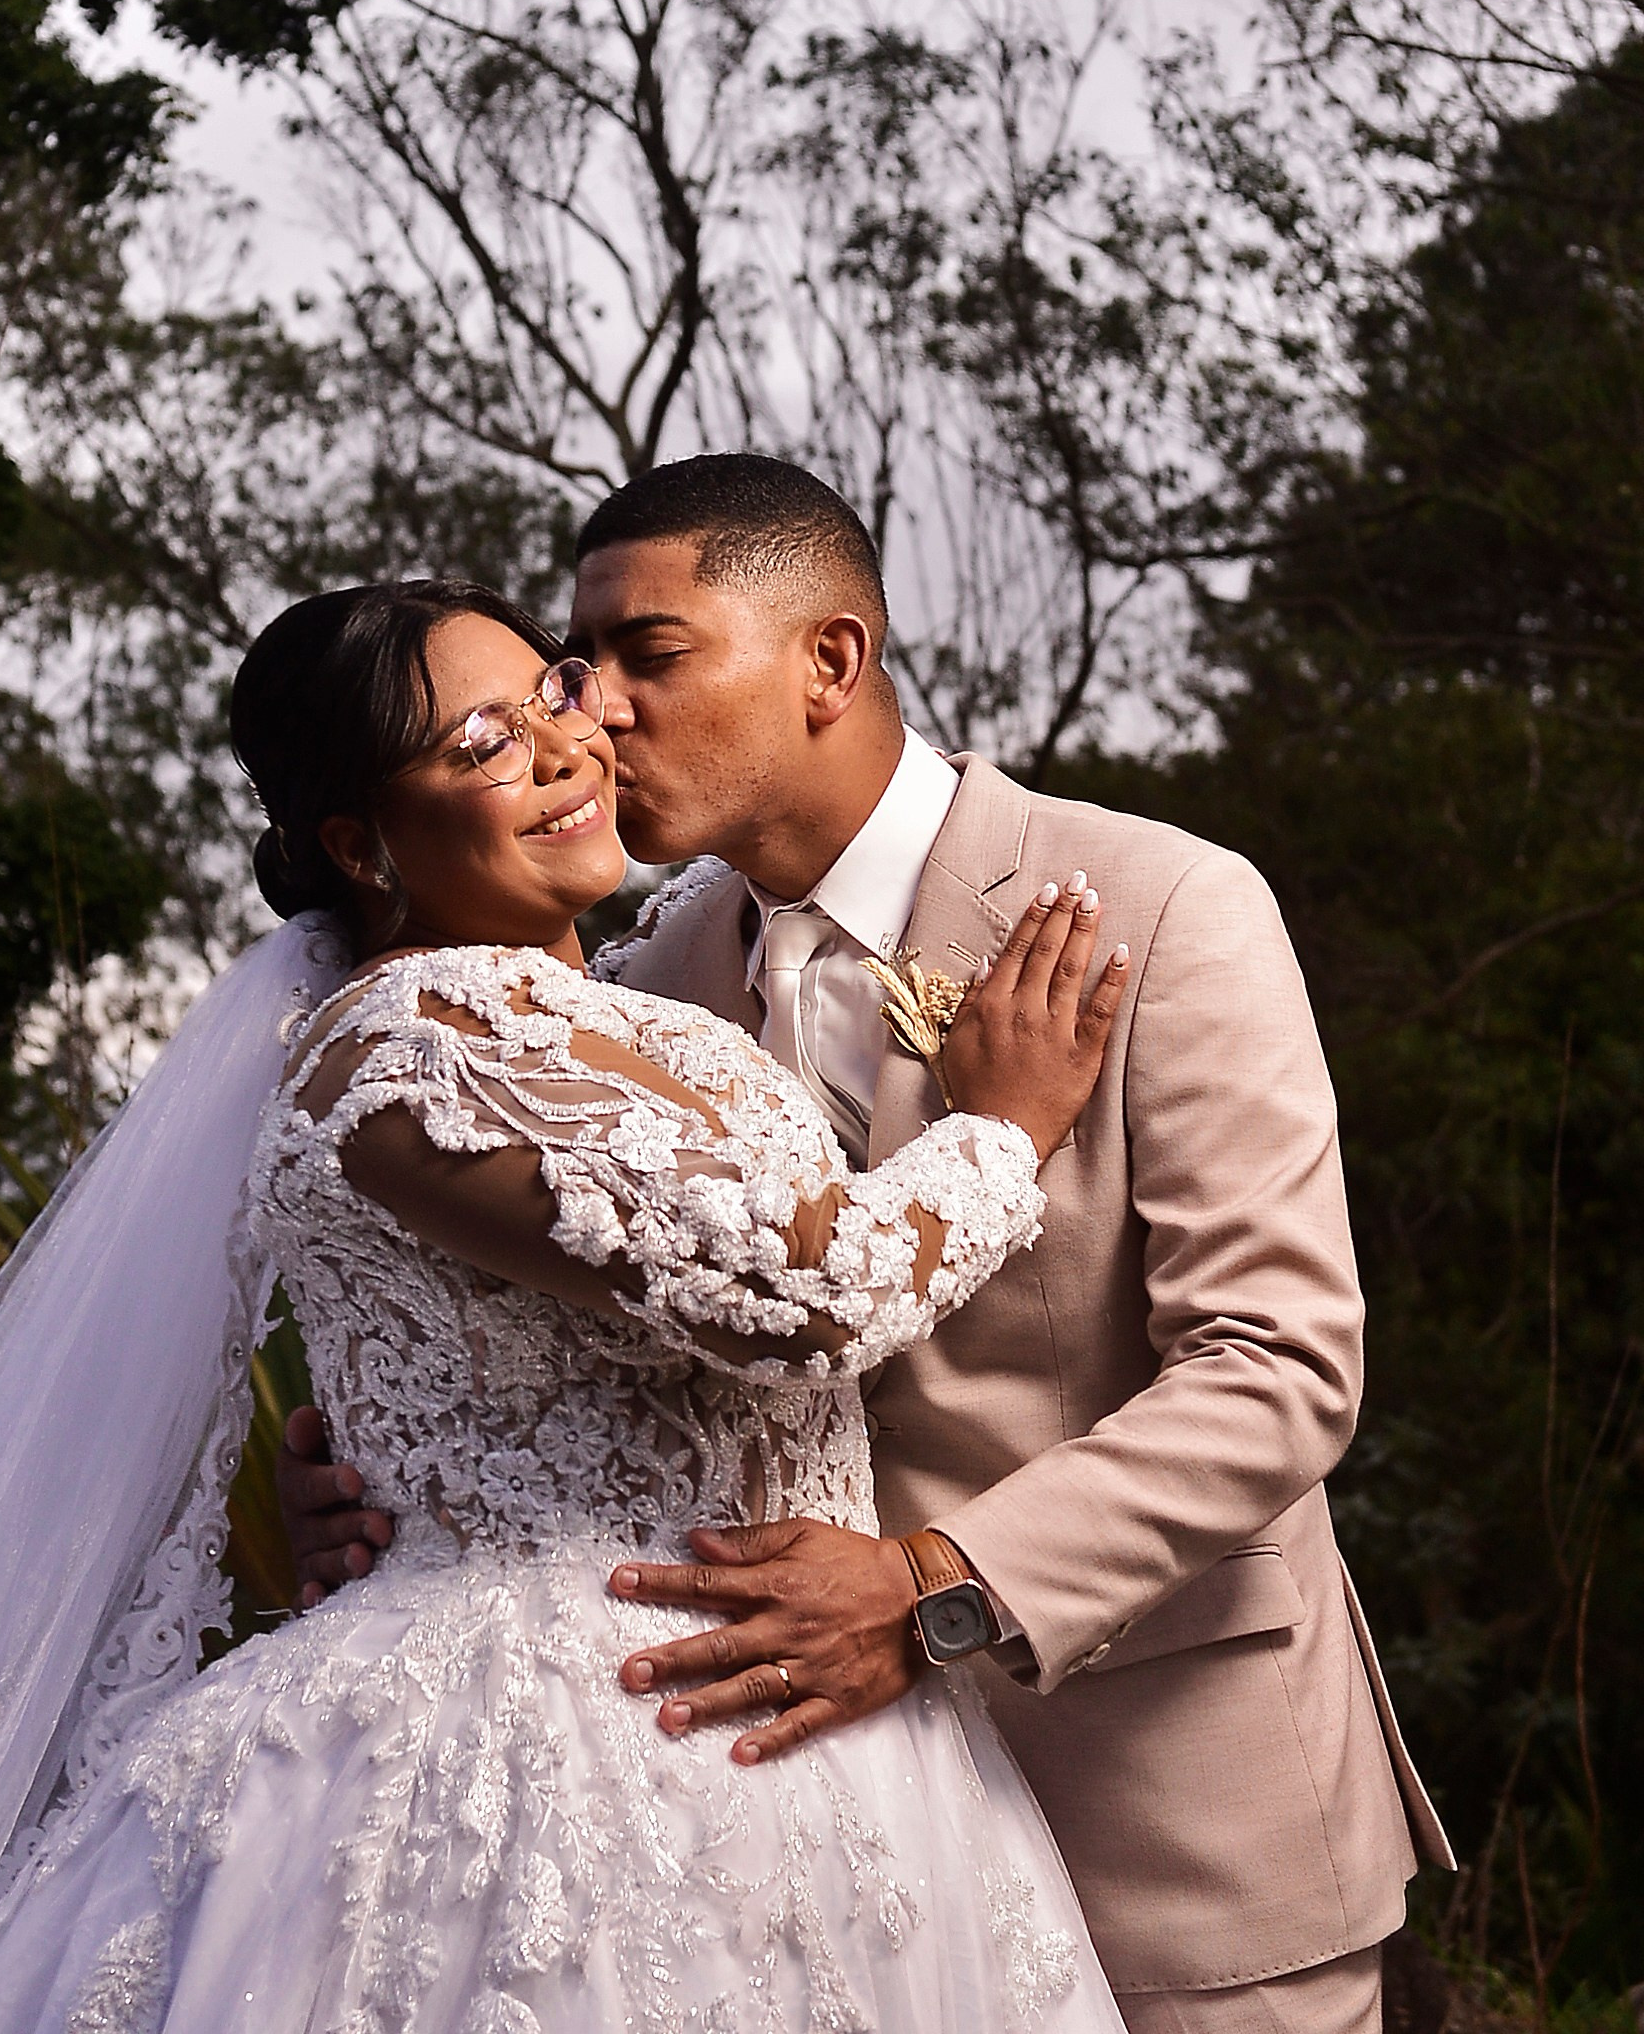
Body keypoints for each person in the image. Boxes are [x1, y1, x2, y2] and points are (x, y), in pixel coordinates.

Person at [0, 576, 1132, 2034]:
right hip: (561, 1739)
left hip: (815, 1717)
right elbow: (805, 1293)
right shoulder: (406, 1049)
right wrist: (1001, 1127)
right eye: (482, 745)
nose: (566, 747)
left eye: (553, 696)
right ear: (360, 844)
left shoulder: (639, 981)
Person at [280, 460, 1455, 2034]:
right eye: (580, 664)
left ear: (830, 659)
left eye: (652, 655)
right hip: (786, 1848)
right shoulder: (632, 986)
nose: (596, 712)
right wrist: (388, 1478)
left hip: (1166, 1814)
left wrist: (934, 1588)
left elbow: (1281, 1371)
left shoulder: (1161, 906)